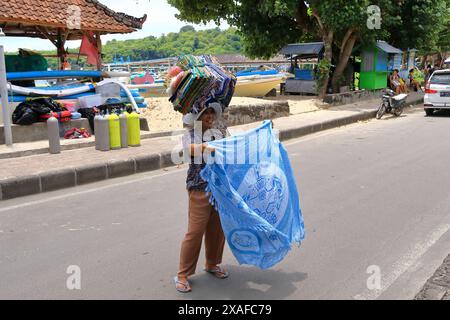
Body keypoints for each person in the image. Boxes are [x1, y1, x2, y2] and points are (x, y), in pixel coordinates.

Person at [174, 102, 229, 293]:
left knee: (217, 229)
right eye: (206, 112)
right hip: (199, 188)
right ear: (198, 115)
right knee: (195, 232)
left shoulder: (220, 133)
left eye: (212, 112)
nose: (210, 116)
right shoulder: (190, 135)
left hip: (218, 189)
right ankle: (182, 274)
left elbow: (230, 151)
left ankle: (212, 264)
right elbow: (189, 149)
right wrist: (206, 146)